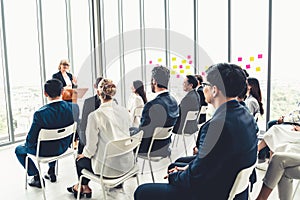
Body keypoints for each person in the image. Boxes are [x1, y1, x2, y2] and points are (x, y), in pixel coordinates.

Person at [134, 63, 258, 200]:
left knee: (142, 192)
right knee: (177, 165)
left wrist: (175, 176)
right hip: (233, 187)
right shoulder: (245, 114)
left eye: (205, 84)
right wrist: (187, 169)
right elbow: (212, 161)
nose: (203, 88)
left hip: (212, 192)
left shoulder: (216, 126)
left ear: (214, 90)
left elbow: (195, 179)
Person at [67, 78, 133, 198]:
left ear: (98, 92)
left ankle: (82, 187)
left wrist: (85, 154)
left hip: (107, 169)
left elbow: (91, 148)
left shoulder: (95, 116)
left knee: (79, 159)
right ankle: (83, 187)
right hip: (127, 164)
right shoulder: (124, 111)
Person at [15, 79, 79, 188]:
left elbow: (30, 141)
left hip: (45, 151)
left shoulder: (40, 114)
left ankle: (36, 177)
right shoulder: (73, 107)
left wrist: (28, 145)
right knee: (54, 142)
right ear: (62, 91)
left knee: (19, 150)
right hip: (63, 147)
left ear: (45, 93)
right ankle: (51, 171)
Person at [132, 66, 179, 156]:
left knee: (129, 132)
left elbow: (143, 132)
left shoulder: (151, 105)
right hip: (165, 146)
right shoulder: (174, 101)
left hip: (149, 149)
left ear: (154, 81)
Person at [78, 77, 103, 154]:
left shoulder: (88, 102)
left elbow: (83, 124)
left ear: (95, 86)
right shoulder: (114, 103)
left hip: (92, 138)